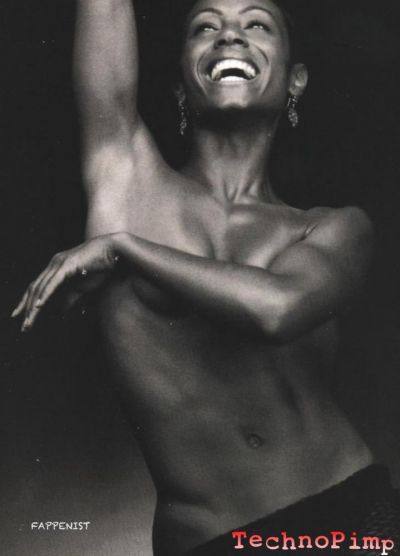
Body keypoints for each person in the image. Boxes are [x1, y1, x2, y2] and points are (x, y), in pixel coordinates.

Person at [12, 0, 400, 554]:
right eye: (206, 26)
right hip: (209, 541)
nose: (229, 36)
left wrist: (125, 247)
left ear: (296, 80)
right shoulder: (127, 181)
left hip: (351, 522)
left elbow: (278, 309)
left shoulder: (332, 228)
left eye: (257, 23)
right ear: (179, 86)